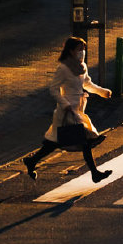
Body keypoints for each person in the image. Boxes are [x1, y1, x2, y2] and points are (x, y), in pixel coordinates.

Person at [23, 36, 114, 184]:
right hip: (66, 112)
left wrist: (102, 92)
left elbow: (87, 84)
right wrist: (64, 103)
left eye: (83, 49)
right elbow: (53, 89)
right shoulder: (63, 68)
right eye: (80, 49)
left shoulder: (82, 66)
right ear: (71, 51)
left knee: (55, 143)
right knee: (83, 141)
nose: (82, 52)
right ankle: (95, 173)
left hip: (77, 109)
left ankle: (32, 161)